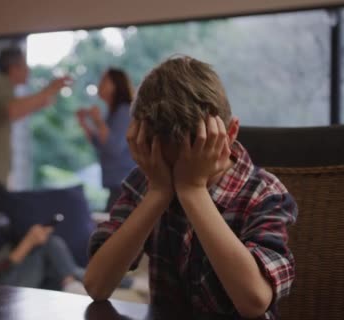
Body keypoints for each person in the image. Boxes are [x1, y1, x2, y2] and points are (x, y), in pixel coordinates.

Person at [84, 56, 298, 319]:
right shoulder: (149, 180)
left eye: (192, 161)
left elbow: (254, 301)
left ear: (229, 134)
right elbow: (97, 284)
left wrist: (193, 190)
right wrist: (158, 193)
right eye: (168, 165)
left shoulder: (263, 192)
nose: (176, 176)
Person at [0, 46, 70, 187]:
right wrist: (47, 91)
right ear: (13, 68)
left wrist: (40, 101)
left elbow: (11, 113)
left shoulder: (1, 83)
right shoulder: (0, 82)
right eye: (24, 66)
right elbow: (12, 110)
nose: (28, 71)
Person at [0, 188, 85, 292]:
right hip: (1, 289)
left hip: (12, 278)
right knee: (50, 244)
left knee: (52, 261)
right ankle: (82, 281)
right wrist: (27, 243)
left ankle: (75, 282)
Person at [76, 68, 136, 211]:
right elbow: (100, 144)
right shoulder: (114, 113)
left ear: (116, 85)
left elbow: (113, 147)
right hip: (119, 184)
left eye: (104, 80)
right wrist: (85, 123)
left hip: (125, 184)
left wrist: (98, 122)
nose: (99, 84)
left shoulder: (124, 111)